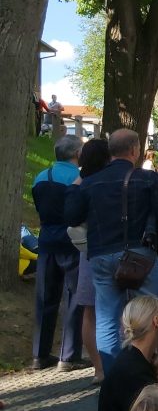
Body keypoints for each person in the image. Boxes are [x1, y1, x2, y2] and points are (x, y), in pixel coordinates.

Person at [64, 128, 158, 375]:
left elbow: (71, 215)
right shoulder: (146, 179)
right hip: (140, 255)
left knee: (106, 321)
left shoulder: (91, 183)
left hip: (101, 256)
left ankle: (114, 379)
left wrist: (78, 181)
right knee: (157, 314)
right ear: (135, 150)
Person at [31, 134, 85, 371]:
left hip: (46, 241)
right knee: (74, 296)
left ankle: (39, 355)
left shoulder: (41, 177)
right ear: (77, 154)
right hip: (71, 242)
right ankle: (69, 355)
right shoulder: (78, 179)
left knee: (45, 297)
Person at [69, 138, 111, 384]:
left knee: (90, 312)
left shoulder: (80, 184)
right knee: (115, 310)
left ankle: (98, 369)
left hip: (87, 252)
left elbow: (72, 215)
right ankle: (113, 364)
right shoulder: (108, 182)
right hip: (110, 247)